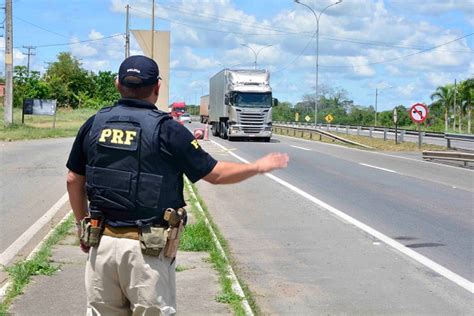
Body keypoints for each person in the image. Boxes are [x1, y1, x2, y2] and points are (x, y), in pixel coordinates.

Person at [66, 55, 289, 315]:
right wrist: (257, 167)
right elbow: (214, 174)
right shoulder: (168, 130)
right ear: (157, 88)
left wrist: (82, 225)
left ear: (117, 85)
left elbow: (73, 179)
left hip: (101, 244)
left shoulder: (94, 124)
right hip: (147, 253)